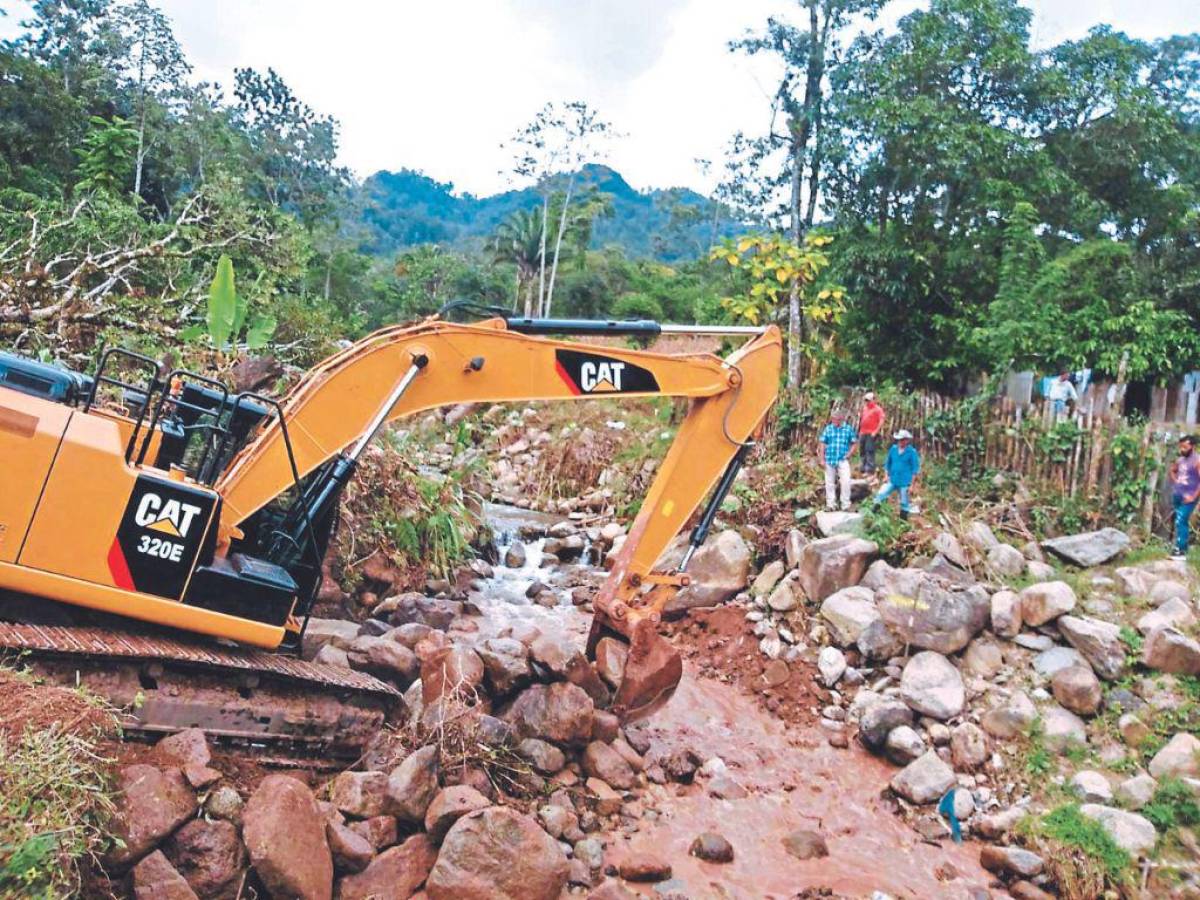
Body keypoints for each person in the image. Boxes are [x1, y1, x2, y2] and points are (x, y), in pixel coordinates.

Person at [875, 429, 921, 519]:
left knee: (904, 501)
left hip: (905, 481)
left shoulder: (911, 452)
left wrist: (912, 485)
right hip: (893, 479)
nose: (901, 442)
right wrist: (886, 475)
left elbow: (915, 469)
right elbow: (887, 463)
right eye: (900, 440)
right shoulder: (893, 449)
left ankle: (903, 521)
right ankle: (874, 515)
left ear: (907, 440)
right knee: (881, 494)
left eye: (903, 440)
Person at [818, 408, 857, 511]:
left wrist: (849, 454)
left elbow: (854, 443)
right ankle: (831, 505)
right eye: (833, 419)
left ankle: (846, 505)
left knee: (846, 481)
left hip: (842, 459)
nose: (834, 421)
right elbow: (822, 443)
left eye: (836, 419)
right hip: (829, 458)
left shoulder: (848, 429)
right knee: (829, 482)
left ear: (841, 419)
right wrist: (821, 459)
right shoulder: (828, 429)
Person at [1169, 434, 1200, 560]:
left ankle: (1181, 551)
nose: (1182, 449)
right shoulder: (1180, 460)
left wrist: (1193, 497)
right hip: (1178, 495)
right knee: (1179, 521)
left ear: (1192, 446)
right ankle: (1181, 548)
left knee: (1181, 520)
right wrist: (1176, 481)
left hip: (1189, 497)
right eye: (1181, 447)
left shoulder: (1197, 460)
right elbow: (1172, 470)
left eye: (1185, 447)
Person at [858, 391, 885, 476]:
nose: (867, 402)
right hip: (863, 432)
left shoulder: (878, 409)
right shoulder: (865, 408)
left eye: (868, 400)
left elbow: (881, 421)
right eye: (866, 400)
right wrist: (860, 431)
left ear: (873, 400)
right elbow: (862, 419)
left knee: (869, 450)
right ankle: (863, 467)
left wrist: (876, 431)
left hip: (871, 433)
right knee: (862, 450)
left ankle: (869, 470)